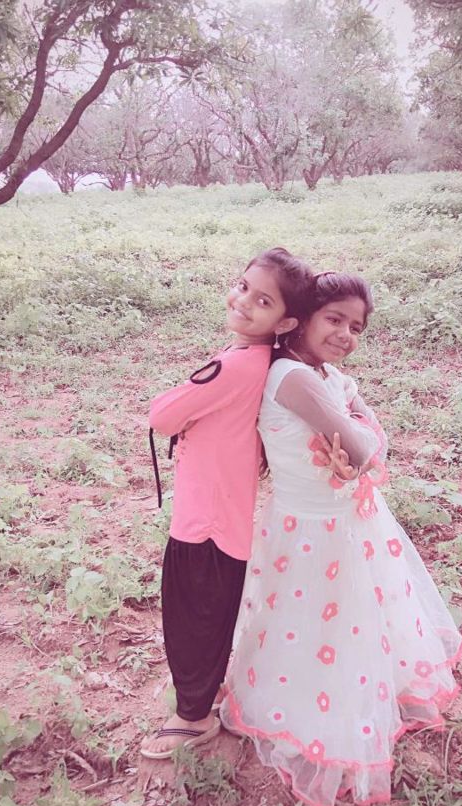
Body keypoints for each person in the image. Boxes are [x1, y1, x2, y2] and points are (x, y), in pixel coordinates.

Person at [220, 272, 462, 806]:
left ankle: (349, 686)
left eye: (356, 327)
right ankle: (313, 702)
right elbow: (363, 450)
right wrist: (362, 427)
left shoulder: (323, 373)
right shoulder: (292, 376)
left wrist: (360, 427)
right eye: (334, 319)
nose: (345, 334)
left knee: (346, 616)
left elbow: (368, 443)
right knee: (316, 617)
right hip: (312, 528)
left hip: (342, 521)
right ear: (301, 319)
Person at [141, 248, 314, 759]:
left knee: (191, 618)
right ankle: (206, 692)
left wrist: (181, 407)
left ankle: (192, 718)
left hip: (206, 521)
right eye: (242, 287)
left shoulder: (236, 366)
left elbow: (163, 416)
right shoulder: (256, 360)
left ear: (285, 322)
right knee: (208, 614)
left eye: (262, 301)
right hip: (222, 515)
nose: (242, 301)